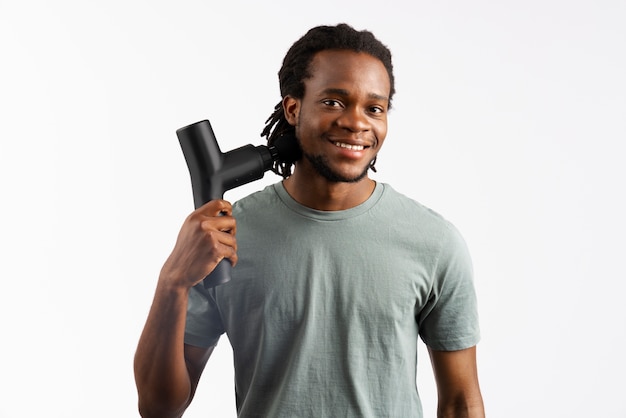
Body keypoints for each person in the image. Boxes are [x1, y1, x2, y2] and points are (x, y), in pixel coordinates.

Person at [134, 23, 484, 418]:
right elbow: (159, 407)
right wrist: (172, 282)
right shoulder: (227, 237)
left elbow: (460, 402)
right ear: (293, 108)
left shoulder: (433, 241)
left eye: (374, 108)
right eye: (334, 102)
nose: (356, 122)